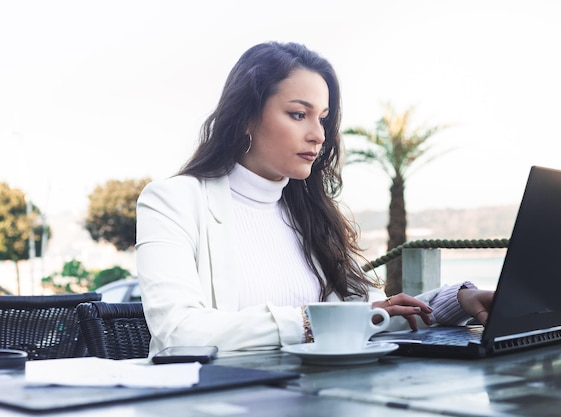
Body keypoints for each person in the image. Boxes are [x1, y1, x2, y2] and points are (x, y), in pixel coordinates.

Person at [136, 41, 493, 356]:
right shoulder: (172, 201)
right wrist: (312, 321)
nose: (318, 135)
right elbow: (178, 332)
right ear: (245, 117)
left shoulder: (311, 213)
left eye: (322, 118)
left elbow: (370, 317)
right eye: (298, 114)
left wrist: (455, 302)